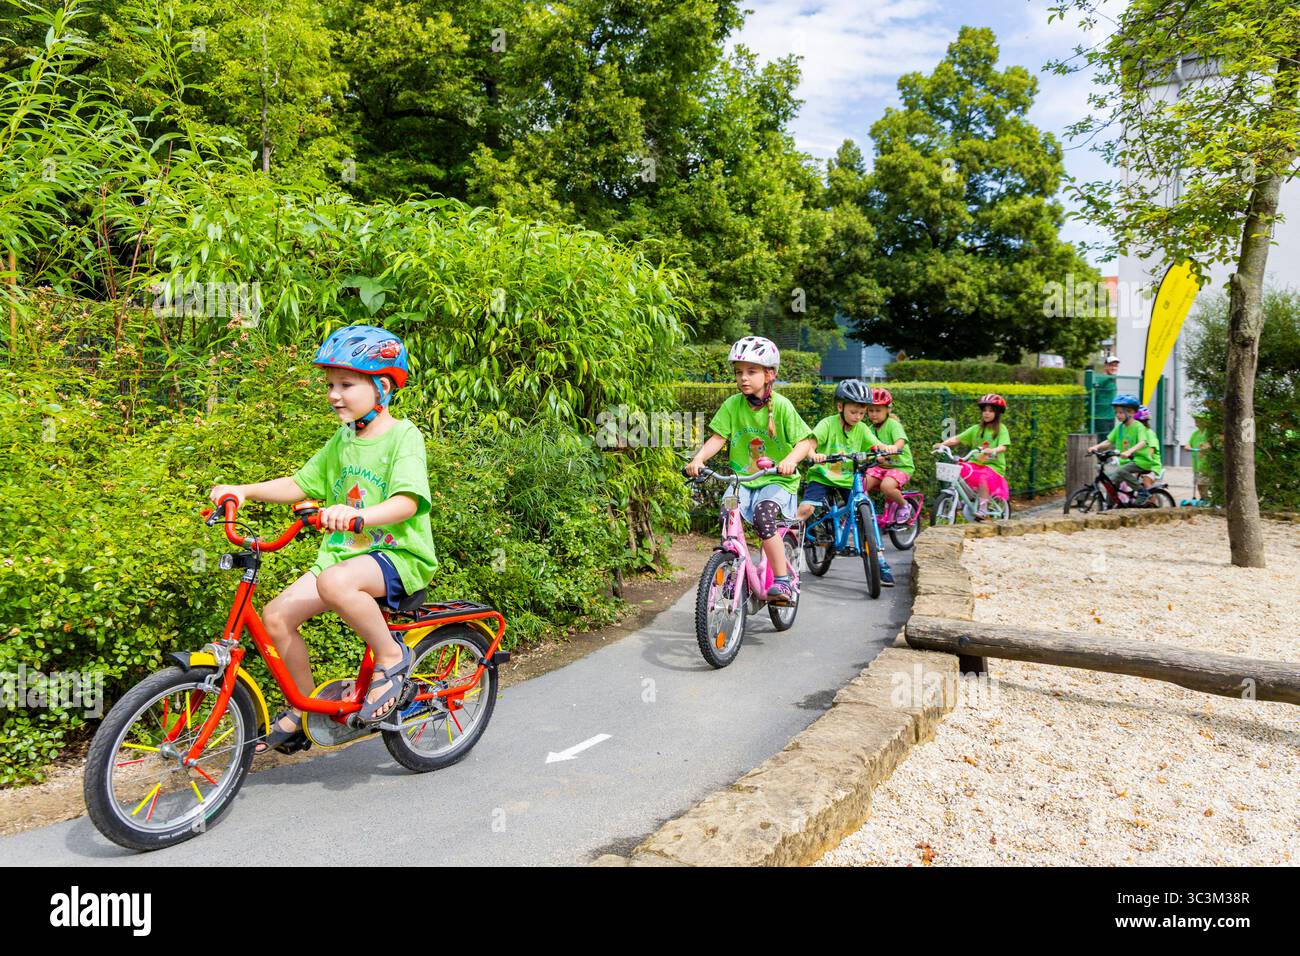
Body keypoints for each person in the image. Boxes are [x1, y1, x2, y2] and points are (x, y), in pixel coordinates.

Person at [208, 325, 438, 754]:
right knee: (276, 616)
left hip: (397, 555)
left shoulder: (403, 437)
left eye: (346, 384)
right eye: (330, 384)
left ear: (382, 386)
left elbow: (407, 502)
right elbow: (299, 483)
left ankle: (391, 658)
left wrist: (359, 516)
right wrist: (244, 490)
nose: (334, 394)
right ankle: (304, 709)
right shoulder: (343, 439)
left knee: (335, 583)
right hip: (342, 558)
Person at [685, 336, 815, 605]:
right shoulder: (733, 405)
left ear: (769, 374)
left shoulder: (781, 406)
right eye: (738, 372)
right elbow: (718, 438)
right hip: (741, 480)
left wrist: (790, 460)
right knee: (726, 514)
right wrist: (698, 459)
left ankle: (782, 580)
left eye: (751, 371)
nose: (743, 378)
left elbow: (806, 441)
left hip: (776, 480)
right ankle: (735, 567)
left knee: (764, 516)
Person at [798, 379, 879, 523]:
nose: (858, 417)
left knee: (863, 508)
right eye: (853, 412)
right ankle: (790, 536)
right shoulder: (827, 424)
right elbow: (809, 444)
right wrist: (814, 455)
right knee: (806, 509)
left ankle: (868, 542)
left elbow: (876, 445)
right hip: (822, 475)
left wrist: (886, 450)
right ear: (840, 407)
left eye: (862, 413)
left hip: (848, 479)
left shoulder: (862, 428)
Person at [861, 387, 912, 586]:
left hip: (900, 465)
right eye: (871, 410)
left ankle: (904, 505)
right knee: (862, 483)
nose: (874, 414)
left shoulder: (893, 425)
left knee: (887, 486)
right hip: (880, 466)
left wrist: (894, 448)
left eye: (878, 410)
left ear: (887, 410)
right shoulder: (869, 428)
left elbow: (900, 441)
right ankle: (862, 515)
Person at [934, 393, 1011, 520]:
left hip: (994, 467)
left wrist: (993, 450)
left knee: (983, 477)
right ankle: (961, 497)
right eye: (984, 410)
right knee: (959, 467)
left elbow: (1003, 446)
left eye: (991, 411)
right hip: (976, 464)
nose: (986, 413)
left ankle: (983, 507)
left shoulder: (1001, 429)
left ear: (997, 413)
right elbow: (957, 439)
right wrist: (942, 445)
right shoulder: (976, 429)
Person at [1087, 394, 1158, 502]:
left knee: (1120, 471)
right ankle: (1110, 507)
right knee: (1111, 482)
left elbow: (1143, 442)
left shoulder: (1138, 426)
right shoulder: (1120, 427)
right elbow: (1109, 441)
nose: (1117, 415)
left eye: (1120, 412)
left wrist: (1130, 451)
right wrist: (1096, 446)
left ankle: (1142, 491)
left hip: (1141, 461)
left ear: (1131, 413)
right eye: (1116, 412)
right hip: (1127, 461)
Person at [1185, 409, 1211, 501]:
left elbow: (1210, 444)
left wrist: (1204, 448)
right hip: (1196, 464)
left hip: (1205, 464)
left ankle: (1206, 499)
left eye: (1199, 419)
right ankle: (1204, 499)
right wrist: (1188, 447)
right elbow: (1188, 444)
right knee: (1199, 485)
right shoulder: (1195, 433)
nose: (1196, 421)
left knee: (1203, 483)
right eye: (1196, 419)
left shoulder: (1208, 432)